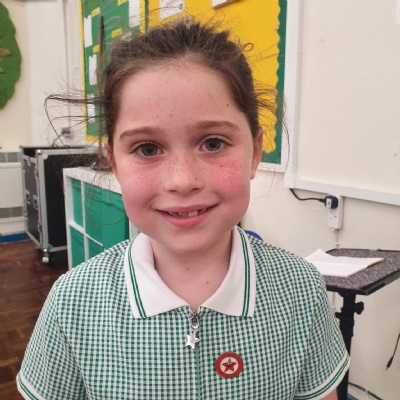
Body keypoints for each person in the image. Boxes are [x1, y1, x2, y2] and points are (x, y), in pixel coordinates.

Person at [17, 20, 349, 400]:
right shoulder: (73, 303)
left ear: (255, 151)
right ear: (114, 161)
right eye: (147, 148)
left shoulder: (301, 289)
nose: (182, 180)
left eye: (213, 143)